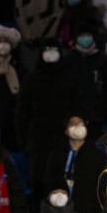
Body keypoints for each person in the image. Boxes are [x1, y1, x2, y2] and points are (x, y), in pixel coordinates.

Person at [17, 42, 79, 198]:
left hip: (62, 138)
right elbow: (22, 112)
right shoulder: (31, 79)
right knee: (39, 181)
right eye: (47, 50)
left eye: (54, 50)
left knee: (63, 179)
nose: (50, 53)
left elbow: (76, 106)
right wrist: (24, 139)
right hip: (38, 139)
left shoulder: (69, 78)